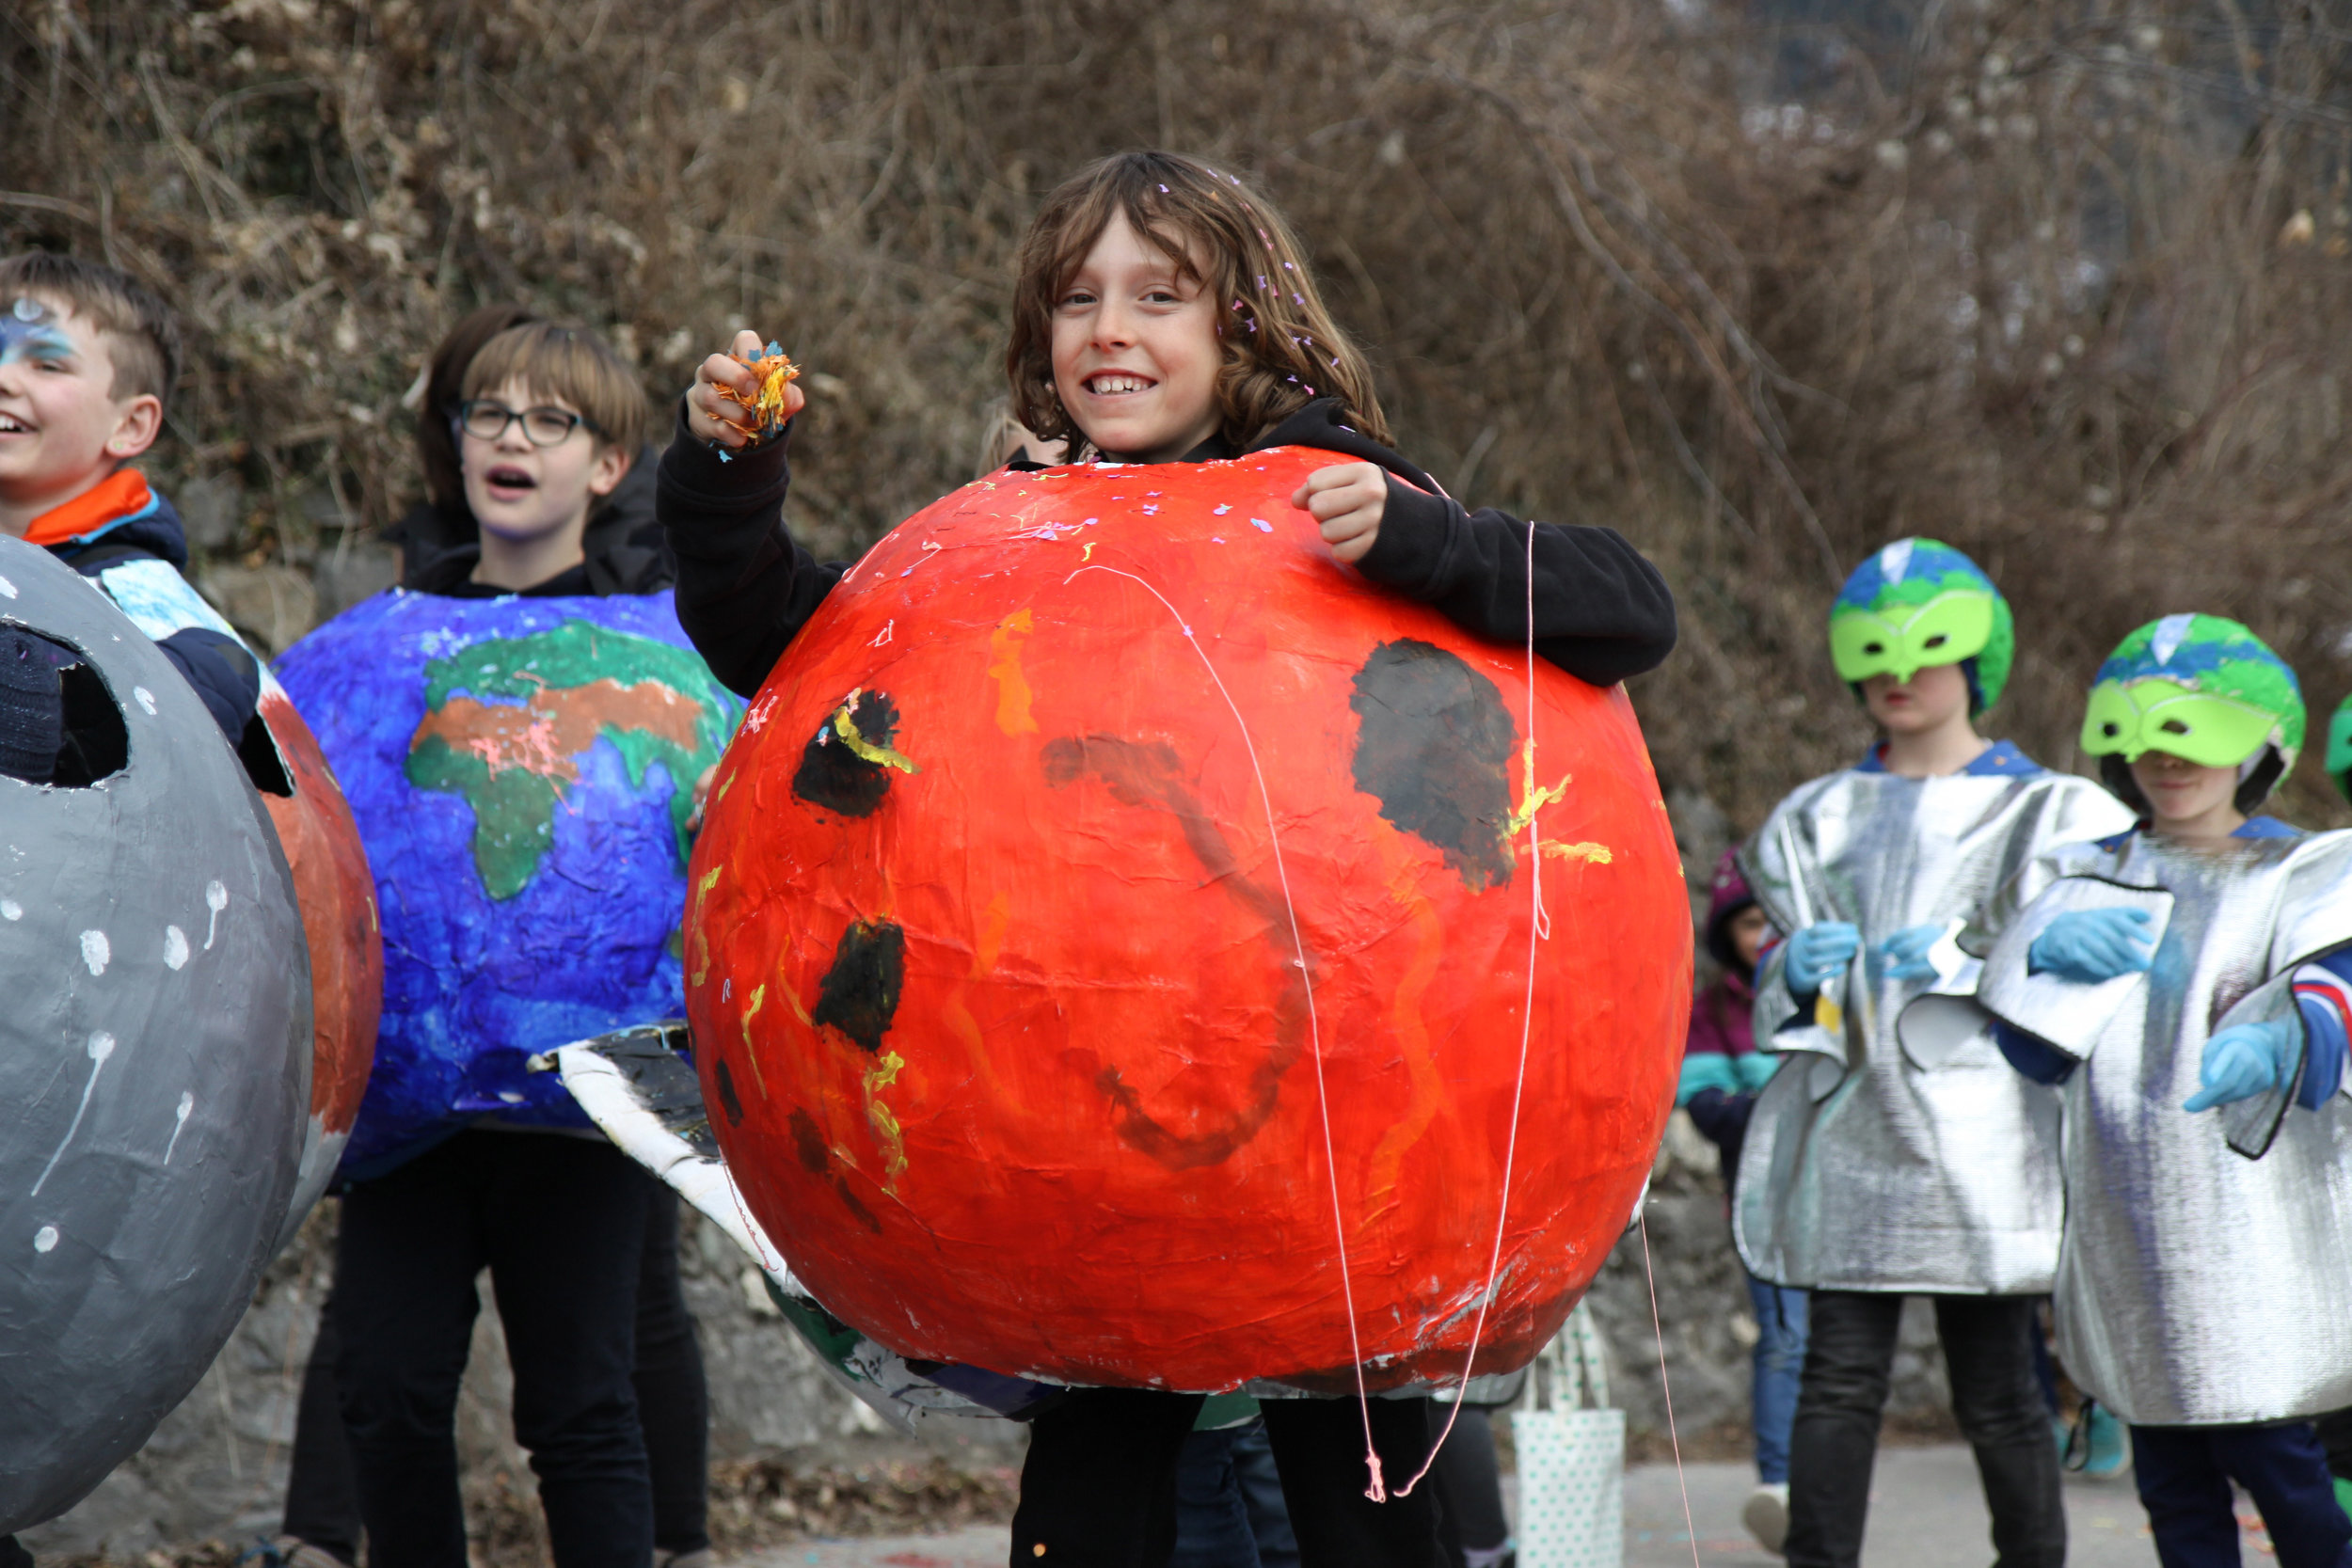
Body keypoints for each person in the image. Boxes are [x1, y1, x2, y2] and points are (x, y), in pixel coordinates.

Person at [657, 149, 1677, 1568]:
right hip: (1079, 1133)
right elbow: (790, 652)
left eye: (1159, 296)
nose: (1108, 331)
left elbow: (1629, 609)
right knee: (1096, 1461)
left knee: (1356, 1462)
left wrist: (1434, 544)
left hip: (1336, 1128)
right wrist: (725, 481)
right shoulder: (1009, 536)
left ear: (1245, 326)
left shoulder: (1341, 499)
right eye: (1076, 299)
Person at [265, 306, 711, 1568]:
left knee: (579, 1402)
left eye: (552, 419)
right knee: (387, 1389)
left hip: (586, 1099)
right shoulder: (368, 658)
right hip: (410, 1104)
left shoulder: (670, 663)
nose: (514, 438)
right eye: (492, 412)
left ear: (608, 464)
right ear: (457, 440)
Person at [1733, 538, 2137, 1568]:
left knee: (2001, 1386)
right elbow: (1780, 998)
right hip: (1851, 1127)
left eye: (1927, 649)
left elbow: (2101, 980)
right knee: (1836, 1376)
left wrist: (2014, 949)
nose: (1899, 675)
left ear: (1977, 657)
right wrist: (1791, 967)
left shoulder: (2053, 815)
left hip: (1986, 1135)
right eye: (1876, 655)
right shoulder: (1812, 821)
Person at [1967, 613, 2352, 1568]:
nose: (2161, 759)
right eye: (2137, 733)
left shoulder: (2310, 870)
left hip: (2258, 1235)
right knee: (2170, 1473)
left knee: (2280, 1463)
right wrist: (2035, 959)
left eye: (2191, 733)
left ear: (2262, 744)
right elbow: (2033, 1055)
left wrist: (2286, 1035)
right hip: (2127, 1233)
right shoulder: (2081, 874)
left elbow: (2339, 981)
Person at [0, 251, 260, 773]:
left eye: (48, 364)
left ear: (131, 425)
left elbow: (204, 698)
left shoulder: (144, 603)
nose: (4, 376)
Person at [1675, 850, 1804, 1552]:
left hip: (1834, 1208)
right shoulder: (1713, 1011)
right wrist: (1790, 1102)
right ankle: (1780, 1486)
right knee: (1783, 1339)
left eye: (1773, 923)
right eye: (1750, 923)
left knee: (1833, 1354)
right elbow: (1706, 1106)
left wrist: (1759, 1102)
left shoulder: (1826, 998)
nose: (1763, 938)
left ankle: (1821, 1486)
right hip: (1759, 1206)